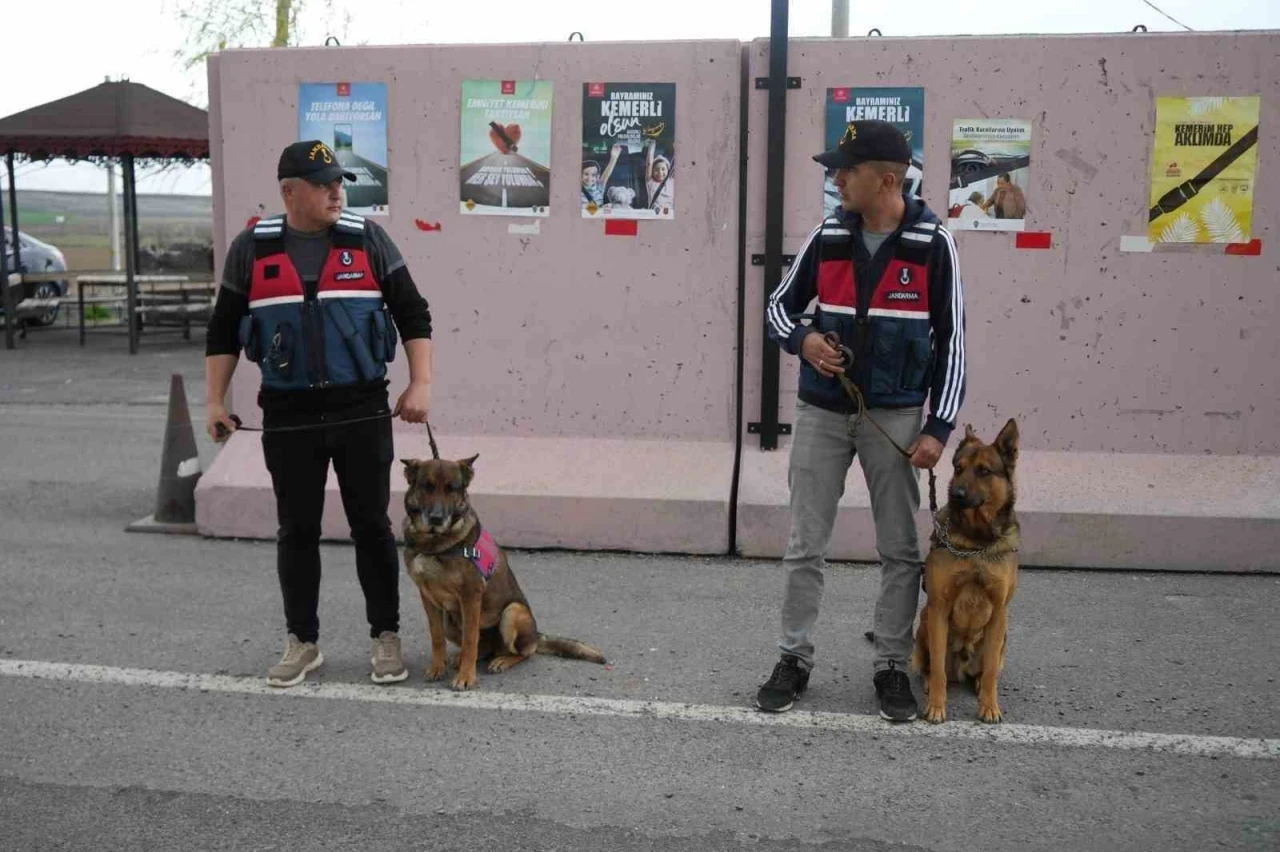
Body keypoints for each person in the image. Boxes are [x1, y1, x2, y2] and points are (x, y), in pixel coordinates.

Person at [204, 140, 434, 688]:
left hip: (361, 409)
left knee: (372, 527)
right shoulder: (252, 249)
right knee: (297, 530)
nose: (338, 191)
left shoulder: (368, 238)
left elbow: (412, 311)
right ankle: (302, 643)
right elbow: (223, 328)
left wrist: (421, 382)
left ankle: (386, 637)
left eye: (340, 182)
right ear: (289, 191)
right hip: (289, 415)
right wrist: (215, 400)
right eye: (323, 183)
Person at [758, 119, 966, 721]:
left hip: (897, 417)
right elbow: (778, 306)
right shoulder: (828, 234)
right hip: (822, 413)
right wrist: (803, 341)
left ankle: (893, 668)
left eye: (846, 170)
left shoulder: (935, 244)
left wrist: (939, 427)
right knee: (804, 546)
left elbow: (953, 343)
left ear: (888, 179)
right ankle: (792, 659)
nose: (836, 178)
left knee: (901, 551)